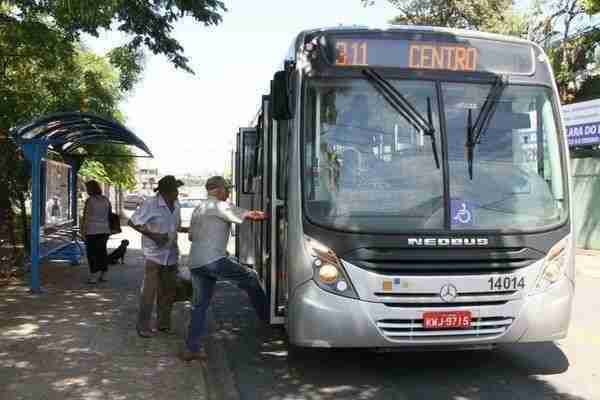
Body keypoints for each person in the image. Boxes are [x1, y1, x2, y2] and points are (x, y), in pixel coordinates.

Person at [181, 176, 268, 361]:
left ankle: (192, 348)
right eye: (227, 189)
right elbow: (253, 215)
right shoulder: (219, 205)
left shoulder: (199, 208)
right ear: (219, 190)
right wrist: (277, 211)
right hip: (213, 260)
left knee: (200, 306)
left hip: (196, 262)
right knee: (251, 277)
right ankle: (267, 318)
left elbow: (190, 236)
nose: (228, 193)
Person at [128, 175, 188, 338]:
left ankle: (163, 324)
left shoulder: (177, 205)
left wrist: (189, 230)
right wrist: (153, 235)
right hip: (153, 255)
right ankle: (143, 326)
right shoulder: (150, 204)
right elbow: (132, 222)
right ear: (166, 192)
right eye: (175, 189)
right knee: (149, 292)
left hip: (172, 254)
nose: (177, 192)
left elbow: (176, 227)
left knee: (168, 292)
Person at [81, 180, 111, 284]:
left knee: (92, 254)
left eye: (87, 188)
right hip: (104, 230)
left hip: (92, 230)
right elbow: (109, 215)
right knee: (102, 252)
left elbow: (86, 217)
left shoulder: (90, 201)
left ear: (91, 189)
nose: (86, 190)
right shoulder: (106, 200)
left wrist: (83, 232)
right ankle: (104, 275)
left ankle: (93, 276)